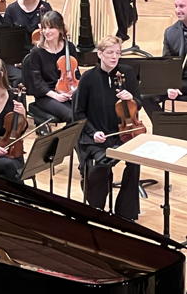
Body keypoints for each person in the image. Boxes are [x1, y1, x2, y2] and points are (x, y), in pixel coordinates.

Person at [74, 35, 141, 220]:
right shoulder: (88, 78)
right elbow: (78, 113)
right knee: (101, 166)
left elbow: (139, 103)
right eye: (110, 53)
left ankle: (126, 212)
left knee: (134, 162)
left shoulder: (127, 73)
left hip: (123, 135)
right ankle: (97, 209)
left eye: (118, 53)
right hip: (96, 136)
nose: (114, 57)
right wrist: (93, 132)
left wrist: (132, 99)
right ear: (100, 54)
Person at [23, 10, 80, 123]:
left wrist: (74, 90)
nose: (46, 32)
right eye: (44, 28)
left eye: (51, 28)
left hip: (68, 91)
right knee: (71, 115)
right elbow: (37, 82)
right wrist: (56, 96)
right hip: (47, 95)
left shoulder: (70, 47)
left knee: (88, 108)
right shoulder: (37, 52)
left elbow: (76, 74)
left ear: (60, 29)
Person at [141, 0, 187, 121]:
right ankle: (163, 125)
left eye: (182, 6)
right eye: (176, 6)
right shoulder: (170, 32)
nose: (177, 10)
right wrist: (170, 85)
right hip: (180, 81)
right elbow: (166, 65)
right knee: (145, 95)